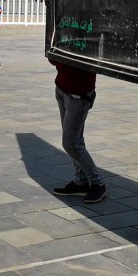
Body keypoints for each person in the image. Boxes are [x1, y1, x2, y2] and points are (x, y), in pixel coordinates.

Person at [50, 59, 105, 203]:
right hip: (62, 87)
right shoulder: (64, 35)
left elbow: (92, 63)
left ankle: (97, 183)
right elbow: (53, 58)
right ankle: (81, 180)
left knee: (70, 143)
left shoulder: (88, 38)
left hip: (79, 94)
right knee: (76, 139)